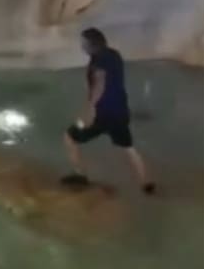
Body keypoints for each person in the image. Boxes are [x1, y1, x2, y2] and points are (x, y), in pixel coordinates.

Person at [61, 28, 155, 194]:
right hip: (120, 111)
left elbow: (100, 85)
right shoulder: (114, 54)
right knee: (128, 147)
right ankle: (146, 183)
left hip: (102, 114)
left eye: (84, 43)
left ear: (91, 45)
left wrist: (89, 111)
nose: (82, 46)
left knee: (69, 137)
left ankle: (80, 175)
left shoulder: (98, 61)